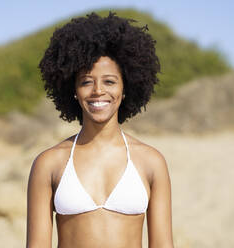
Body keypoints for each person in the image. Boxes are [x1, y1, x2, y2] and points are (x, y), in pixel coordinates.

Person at [26, 12, 174, 248]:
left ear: (125, 89)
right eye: (86, 81)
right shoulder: (48, 163)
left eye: (109, 81)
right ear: (73, 90)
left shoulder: (151, 161)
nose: (97, 91)